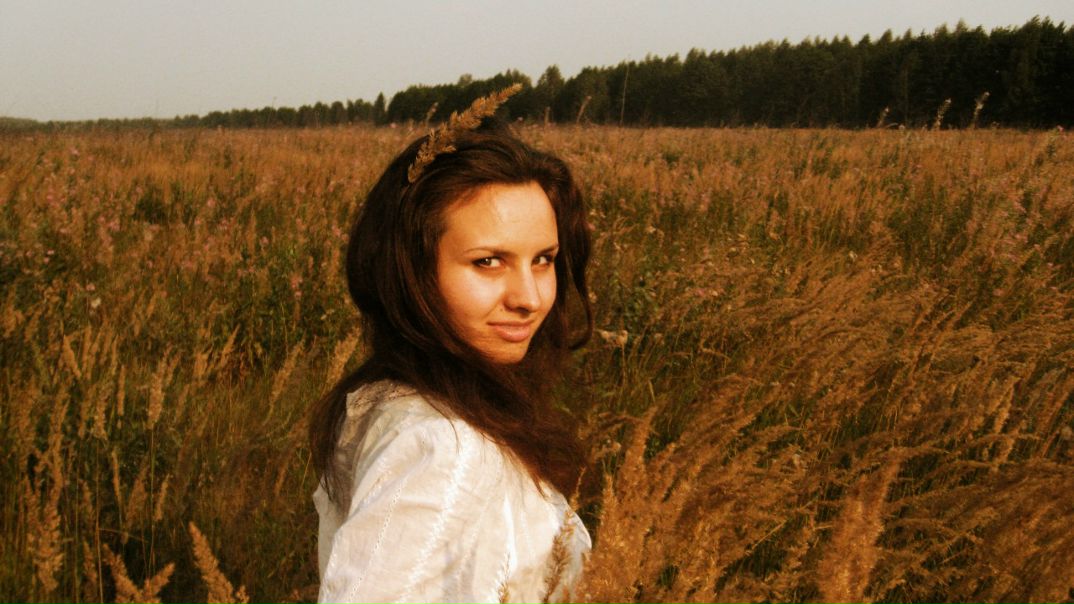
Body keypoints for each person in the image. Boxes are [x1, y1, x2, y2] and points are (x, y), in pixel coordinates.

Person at [309, 89, 594, 604]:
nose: (529, 298)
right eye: (488, 262)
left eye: (543, 260)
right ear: (411, 274)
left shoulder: (404, 401)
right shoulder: (445, 448)